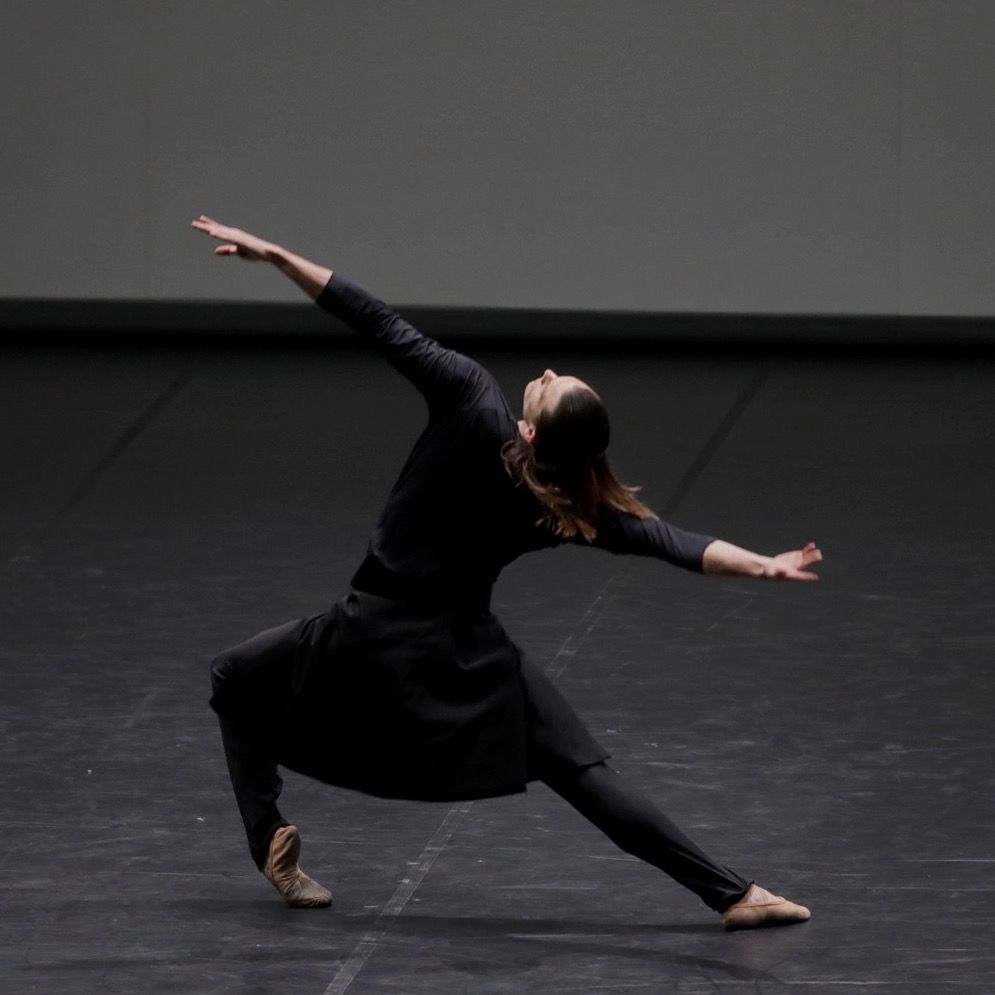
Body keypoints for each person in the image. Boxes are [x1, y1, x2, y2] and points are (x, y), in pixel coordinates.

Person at [193, 215, 820, 931]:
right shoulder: (565, 505)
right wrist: (763, 566)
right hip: (468, 656)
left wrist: (276, 256)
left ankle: (266, 836)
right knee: (582, 774)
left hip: (370, 633)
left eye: (550, 386)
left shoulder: (469, 400)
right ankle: (735, 895)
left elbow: (372, 318)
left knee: (233, 678)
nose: (546, 372)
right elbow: (671, 542)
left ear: (530, 431)